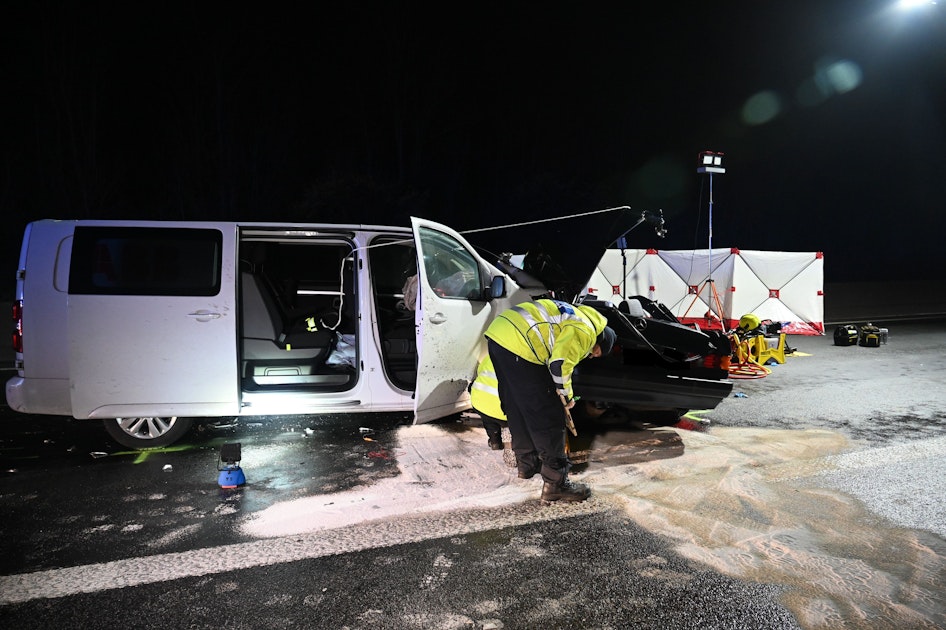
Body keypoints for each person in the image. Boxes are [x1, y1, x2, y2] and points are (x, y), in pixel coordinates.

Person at [484, 298, 616, 502]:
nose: (592, 356)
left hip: (500, 336)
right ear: (602, 343)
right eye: (596, 354)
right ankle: (556, 484)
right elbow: (560, 364)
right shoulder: (587, 331)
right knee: (548, 415)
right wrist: (566, 396)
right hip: (521, 343)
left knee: (518, 407)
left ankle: (527, 465)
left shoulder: (575, 315)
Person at [469, 354, 507, 450]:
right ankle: (515, 443)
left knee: (488, 417)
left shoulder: (490, 356)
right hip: (505, 412)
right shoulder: (521, 359)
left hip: (480, 403)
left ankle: (494, 440)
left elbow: (480, 372)